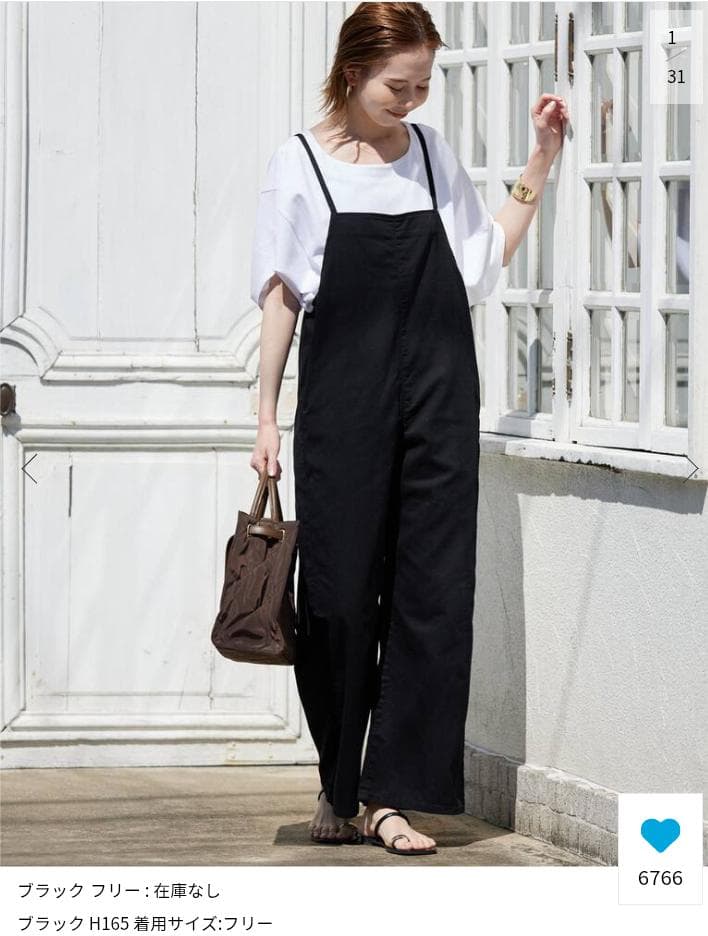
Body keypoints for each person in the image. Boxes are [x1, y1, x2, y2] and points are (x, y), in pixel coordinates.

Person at [249, 2, 568, 856]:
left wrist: (541, 161)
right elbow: (281, 294)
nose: (413, 100)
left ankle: (392, 797)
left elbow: (482, 259)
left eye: (424, 85)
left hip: (438, 394)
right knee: (339, 595)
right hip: (342, 405)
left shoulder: (430, 155)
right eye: (400, 84)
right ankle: (338, 780)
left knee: (433, 593)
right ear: (352, 71)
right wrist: (265, 416)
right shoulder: (299, 164)